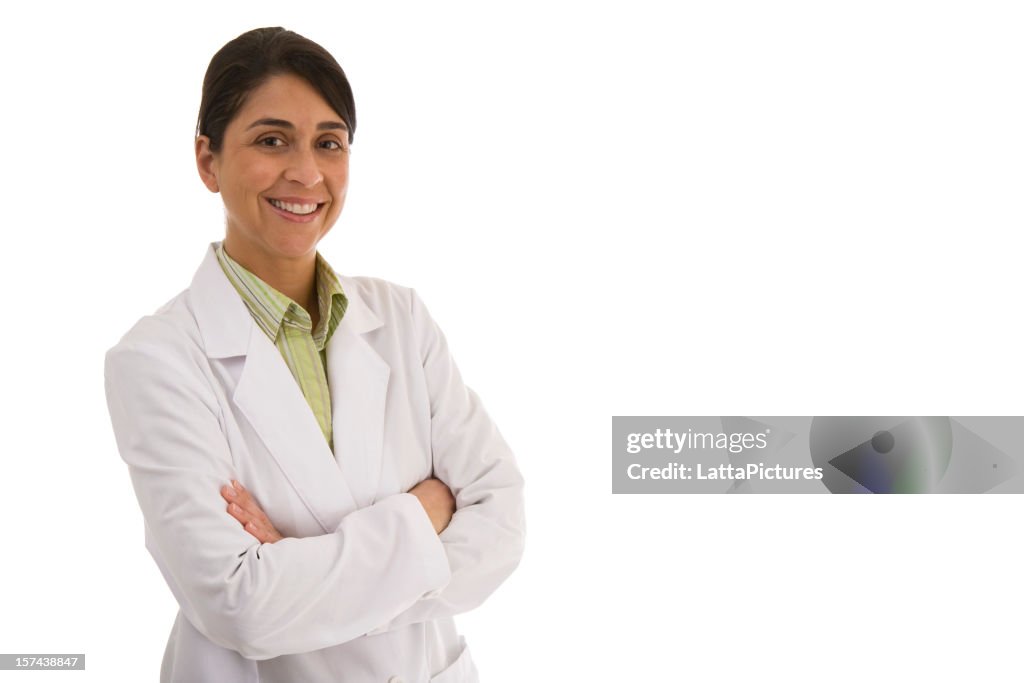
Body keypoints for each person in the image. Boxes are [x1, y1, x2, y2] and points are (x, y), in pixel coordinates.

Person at [104, 27, 525, 683]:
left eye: (329, 142)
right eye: (272, 141)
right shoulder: (156, 360)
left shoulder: (402, 319)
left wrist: (308, 567)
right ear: (207, 160)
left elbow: (501, 523)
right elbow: (240, 604)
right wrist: (425, 514)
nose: (306, 172)